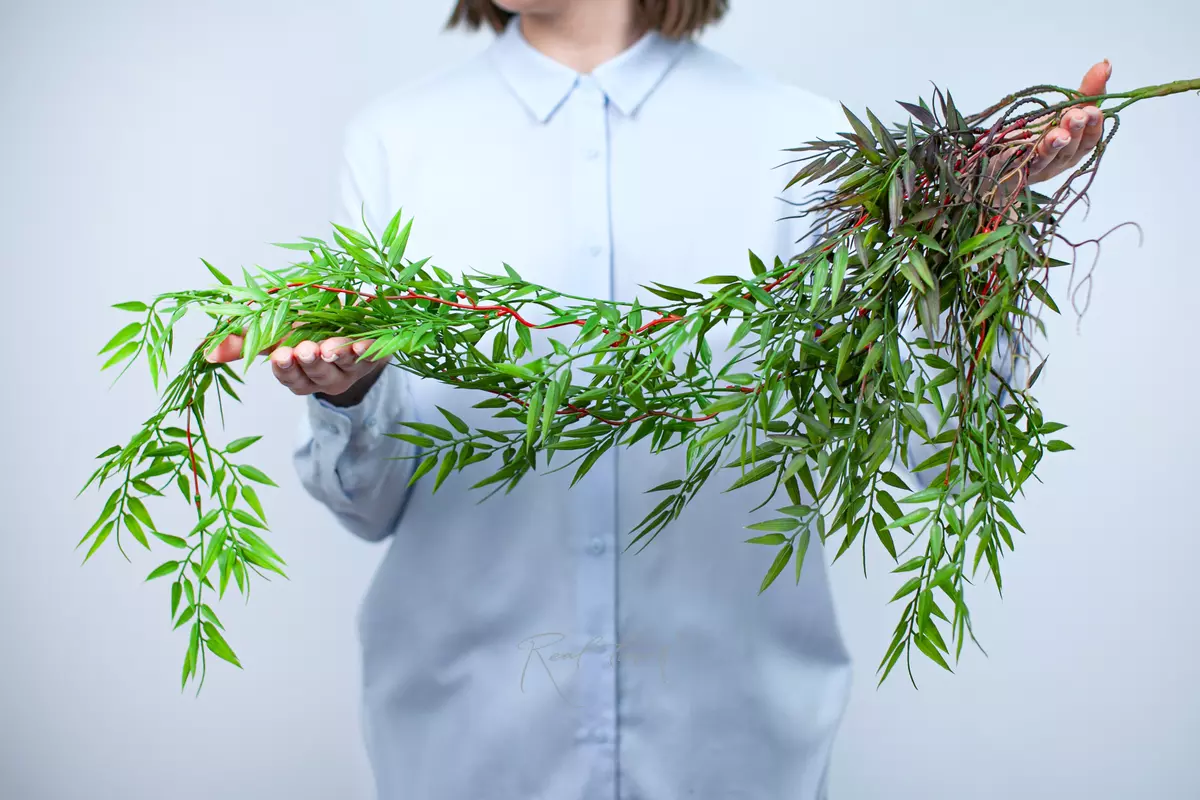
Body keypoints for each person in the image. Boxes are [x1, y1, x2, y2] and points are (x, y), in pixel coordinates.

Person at [206, 2, 1111, 797]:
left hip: (731, 748)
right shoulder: (398, 142)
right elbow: (366, 507)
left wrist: (974, 240)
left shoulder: (803, 140)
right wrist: (352, 393)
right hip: (470, 745)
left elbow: (938, 452)